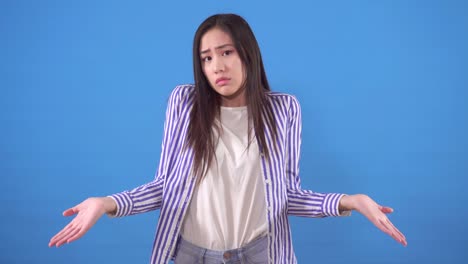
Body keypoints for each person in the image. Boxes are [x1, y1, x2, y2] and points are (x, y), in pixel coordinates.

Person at [49, 13, 407, 264]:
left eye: (226, 52)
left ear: (247, 54)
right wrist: (105, 202)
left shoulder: (285, 110)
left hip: (261, 254)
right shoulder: (184, 103)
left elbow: (290, 196)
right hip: (192, 254)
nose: (216, 66)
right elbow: (164, 187)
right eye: (206, 58)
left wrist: (353, 201)